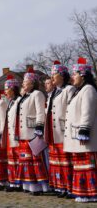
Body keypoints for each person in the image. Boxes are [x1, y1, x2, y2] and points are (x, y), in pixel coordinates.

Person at [64, 57, 97, 203]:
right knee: (80, 165)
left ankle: (91, 193)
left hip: (84, 135)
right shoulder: (79, 91)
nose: (72, 77)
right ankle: (82, 192)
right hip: (76, 135)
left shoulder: (88, 89)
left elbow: (87, 111)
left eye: (75, 74)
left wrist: (85, 128)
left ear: (82, 75)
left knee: (87, 165)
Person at [15, 67, 48, 196]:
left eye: (25, 81)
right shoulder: (24, 97)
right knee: (25, 161)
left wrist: (39, 127)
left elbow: (40, 112)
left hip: (33, 133)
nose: (23, 83)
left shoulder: (37, 94)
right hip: (23, 133)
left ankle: (39, 186)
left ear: (32, 82)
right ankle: (28, 184)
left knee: (35, 160)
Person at [45, 61, 75, 198]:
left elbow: (71, 109)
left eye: (54, 75)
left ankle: (70, 187)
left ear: (62, 76)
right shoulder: (54, 93)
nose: (52, 78)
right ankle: (60, 187)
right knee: (56, 161)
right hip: (53, 130)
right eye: (51, 75)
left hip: (63, 130)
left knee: (66, 161)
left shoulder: (69, 90)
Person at [2, 75, 22, 192]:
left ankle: (19, 182)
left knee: (18, 159)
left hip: (17, 134)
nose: (5, 92)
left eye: (6, 89)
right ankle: (12, 181)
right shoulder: (9, 102)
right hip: (10, 134)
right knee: (11, 159)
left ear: (13, 89)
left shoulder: (19, 101)